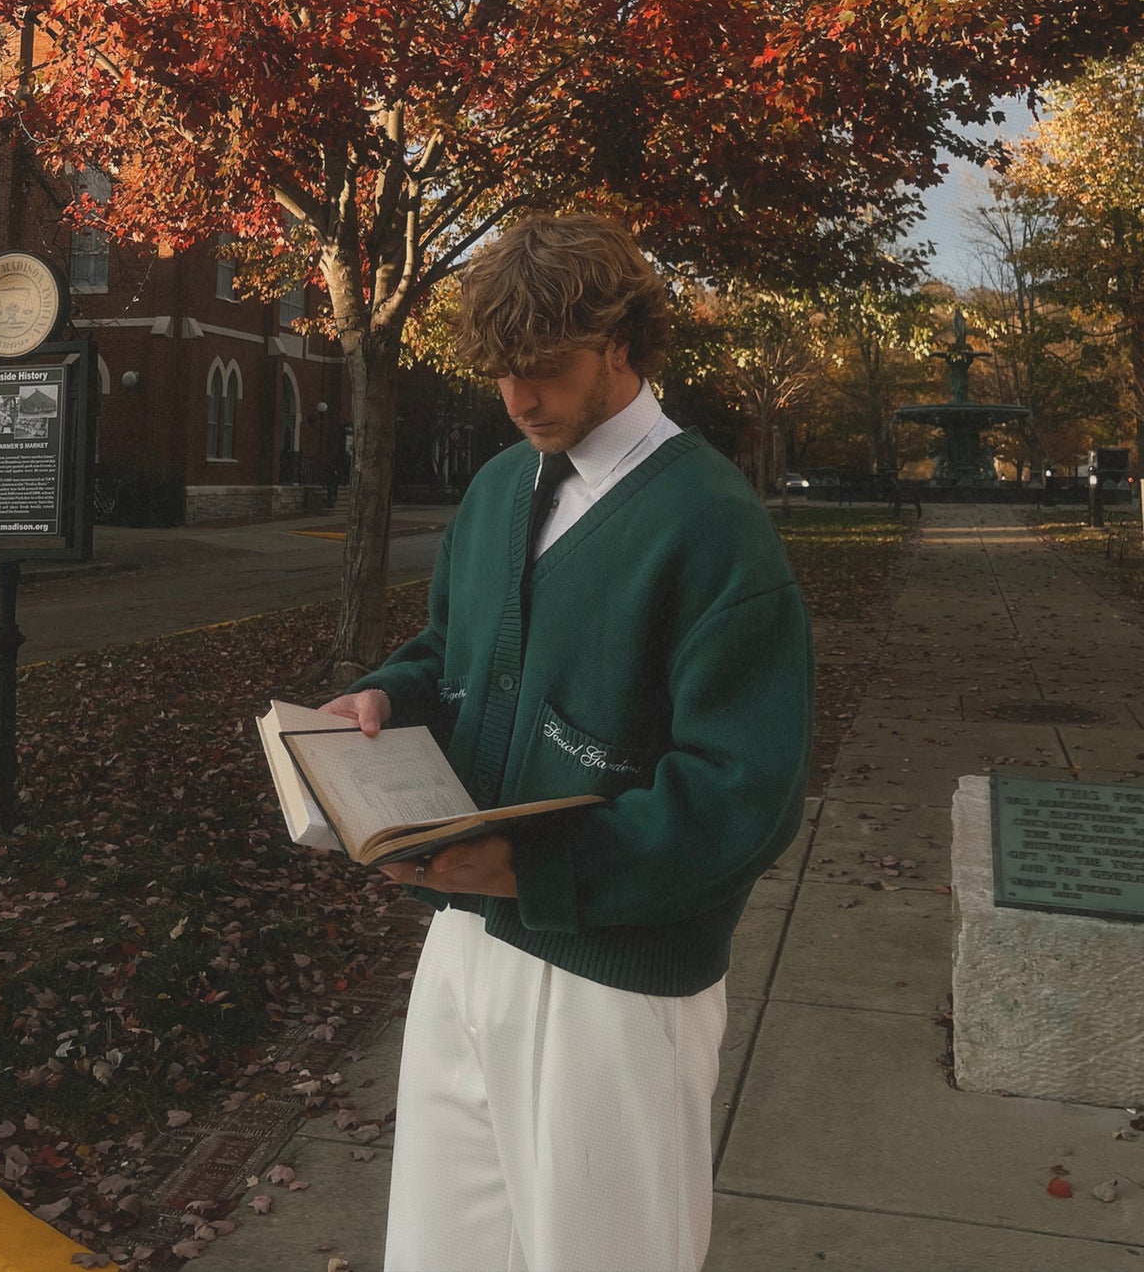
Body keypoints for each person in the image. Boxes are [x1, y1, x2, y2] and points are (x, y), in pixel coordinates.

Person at [321, 211, 813, 1272]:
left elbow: (743, 791)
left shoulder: (710, 522)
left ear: (622, 345)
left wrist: (532, 862)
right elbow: (452, 651)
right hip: (465, 940)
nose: (516, 400)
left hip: (616, 976)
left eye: (539, 369)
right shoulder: (500, 487)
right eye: (499, 373)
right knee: (441, 1251)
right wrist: (381, 702)